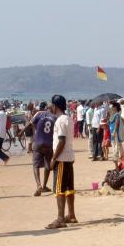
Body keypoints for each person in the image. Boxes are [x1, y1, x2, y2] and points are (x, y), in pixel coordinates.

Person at [46, 94, 77, 229]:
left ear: (55, 106)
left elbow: (61, 141)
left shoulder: (60, 121)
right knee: (69, 188)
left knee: (59, 189)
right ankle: (71, 214)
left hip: (62, 158)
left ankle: (60, 218)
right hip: (69, 157)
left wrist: (54, 159)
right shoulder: (68, 119)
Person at [22, 102, 57, 196]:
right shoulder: (55, 118)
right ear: (52, 108)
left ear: (46, 108)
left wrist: (22, 131)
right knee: (47, 165)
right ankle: (44, 186)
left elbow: (30, 124)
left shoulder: (40, 114)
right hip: (49, 144)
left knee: (35, 165)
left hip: (38, 143)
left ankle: (38, 185)